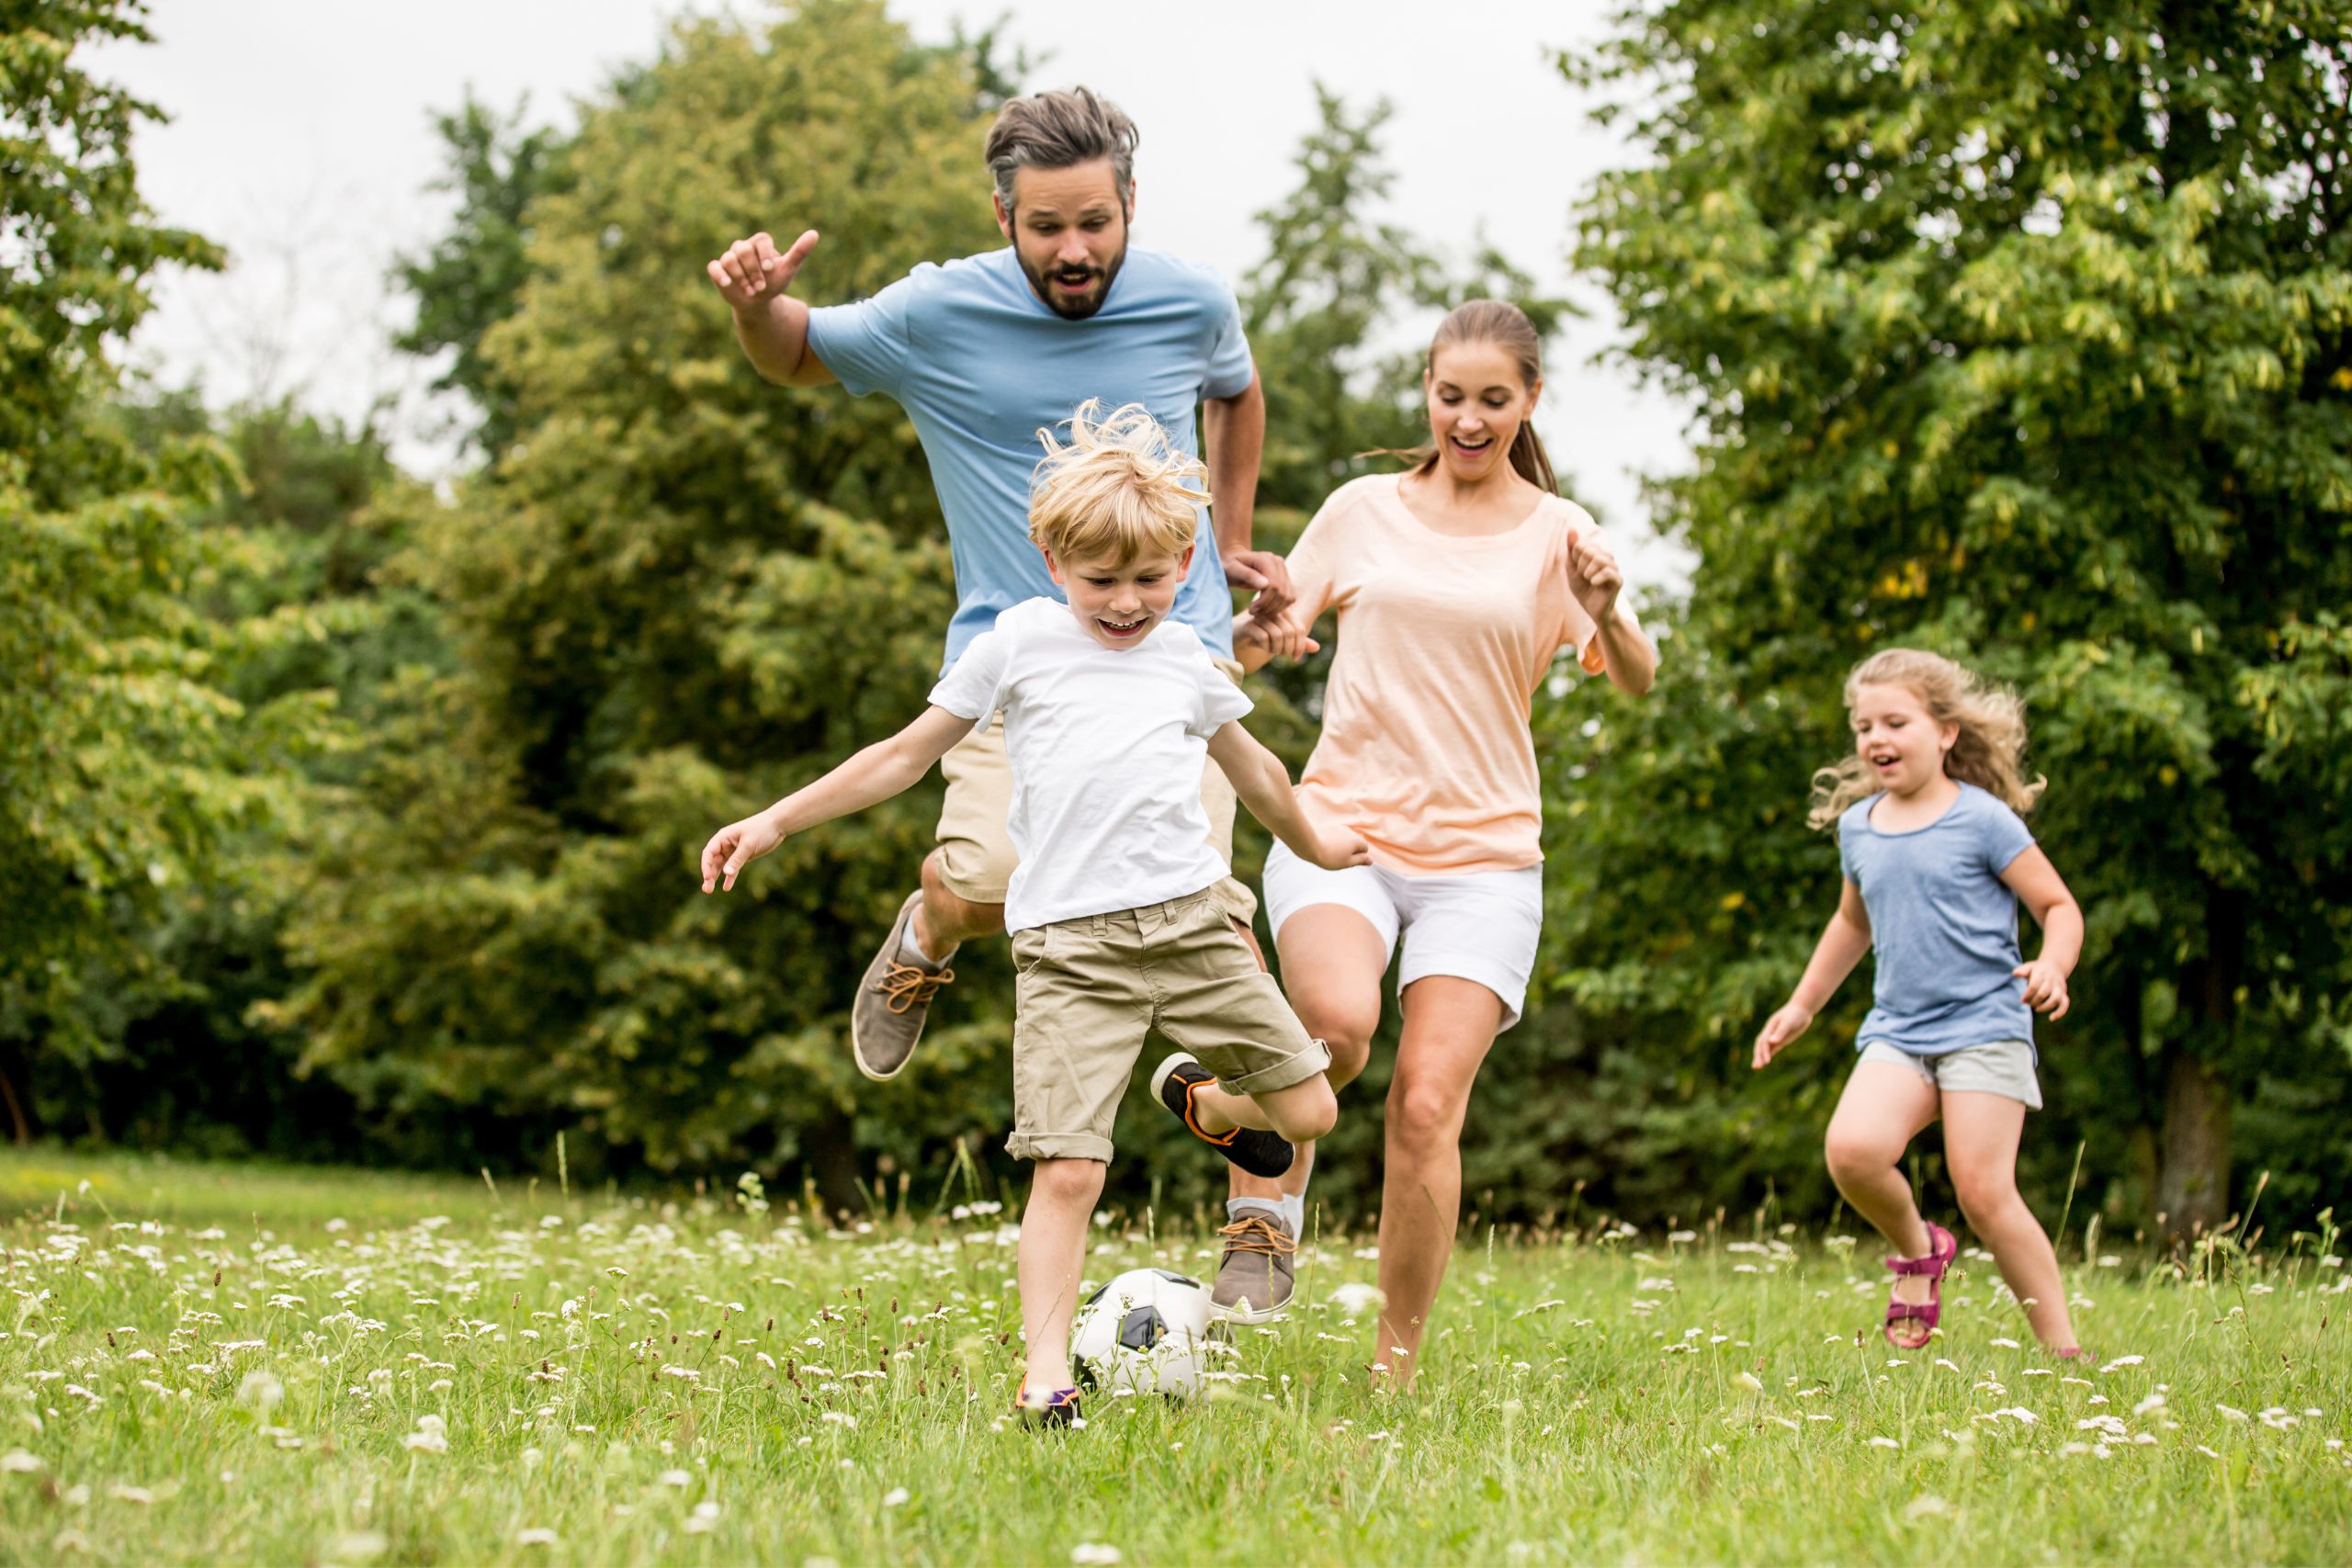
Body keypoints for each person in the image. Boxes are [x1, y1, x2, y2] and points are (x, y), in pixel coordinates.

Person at [697, 403, 1366, 1424]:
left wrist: (1323, 845)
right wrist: (777, 820)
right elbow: (903, 755)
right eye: (1101, 581)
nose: (1127, 602)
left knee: (1310, 1109)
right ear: (1051, 558)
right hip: (1071, 953)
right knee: (1066, 1172)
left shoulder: (1188, 660)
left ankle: (1203, 1099)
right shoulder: (1018, 645)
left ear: (1184, 561)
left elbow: (1260, 773)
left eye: (1150, 580)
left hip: (1191, 931)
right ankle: (1045, 1375)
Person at [706, 87, 1287, 1083]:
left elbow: (1233, 387)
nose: (1073, 250)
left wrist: (1225, 541)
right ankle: (931, 922)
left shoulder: (1191, 300)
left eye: (1094, 223)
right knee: (995, 883)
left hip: (1173, 653)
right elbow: (795, 353)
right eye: (1047, 225)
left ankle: (1260, 1226)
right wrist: (757, 308)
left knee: (1213, 923)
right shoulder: (937, 313)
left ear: (1131, 204)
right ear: (1003, 216)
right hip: (1013, 671)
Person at [1194, 300, 1657, 1387]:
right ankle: (1253, 1185)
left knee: (1426, 1103)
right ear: (1429, 395)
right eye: (1450, 396)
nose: (1468, 418)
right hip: (1341, 827)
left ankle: (1393, 1367)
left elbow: (1634, 677)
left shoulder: (1558, 535)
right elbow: (1255, 644)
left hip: (1486, 862)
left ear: (1528, 402)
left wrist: (1610, 608)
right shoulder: (1363, 510)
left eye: (1493, 399)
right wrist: (1258, 639)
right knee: (1336, 1034)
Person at [1752, 648, 2086, 1356]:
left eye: (1895, 721)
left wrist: (2054, 964)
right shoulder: (1860, 828)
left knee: (1985, 1192)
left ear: (1946, 732)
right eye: (1863, 724)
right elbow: (1852, 923)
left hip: (1985, 1025)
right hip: (1900, 1028)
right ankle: (1918, 1247)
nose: (1875, 738)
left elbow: (2058, 904)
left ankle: (2064, 1352)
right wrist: (1802, 1005)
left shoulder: (1984, 820)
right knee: (1853, 1150)